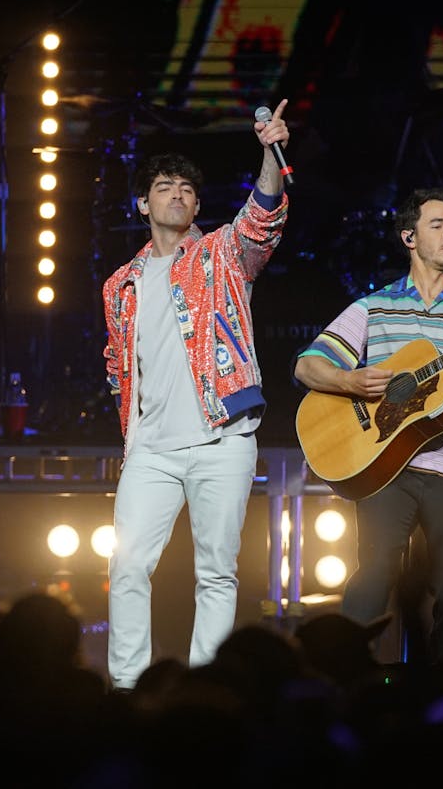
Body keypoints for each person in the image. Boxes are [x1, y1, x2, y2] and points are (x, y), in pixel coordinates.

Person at [293, 186, 443, 666]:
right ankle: (341, 679)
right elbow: (307, 367)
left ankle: (441, 689)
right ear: (409, 236)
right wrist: (349, 379)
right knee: (372, 577)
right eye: (437, 225)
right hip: (385, 467)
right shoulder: (373, 307)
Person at [101, 100, 291, 691]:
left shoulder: (221, 255)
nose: (177, 195)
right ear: (143, 204)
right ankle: (128, 689)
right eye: (164, 187)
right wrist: (133, 433)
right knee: (127, 565)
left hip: (222, 439)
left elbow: (263, 216)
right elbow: (116, 364)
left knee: (217, 572)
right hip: (151, 449)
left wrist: (270, 153)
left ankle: (208, 690)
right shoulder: (120, 284)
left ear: (198, 205)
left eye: (186, 188)